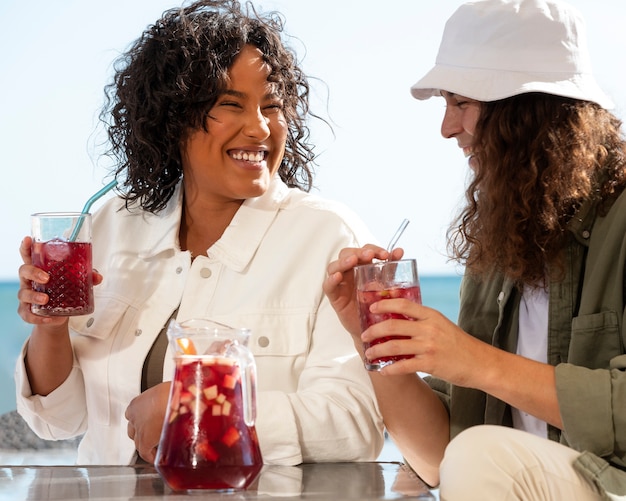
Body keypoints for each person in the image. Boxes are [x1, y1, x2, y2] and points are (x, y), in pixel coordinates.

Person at [15, 0, 384, 466]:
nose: (260, 128)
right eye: (231, 106)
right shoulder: (110, 225)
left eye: (273, 106)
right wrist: (50, 329)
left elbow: (356, 423)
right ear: (173, 120)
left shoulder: (328, 236)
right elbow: (57, 422)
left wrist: (197, 411)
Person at [323, 0, 626, 499]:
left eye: (461, 102)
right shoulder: (504, 242)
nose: (446, 127)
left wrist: (475, 361)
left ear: (528, 110)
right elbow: (441, 458)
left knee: (479, 452)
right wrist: (370, 342)